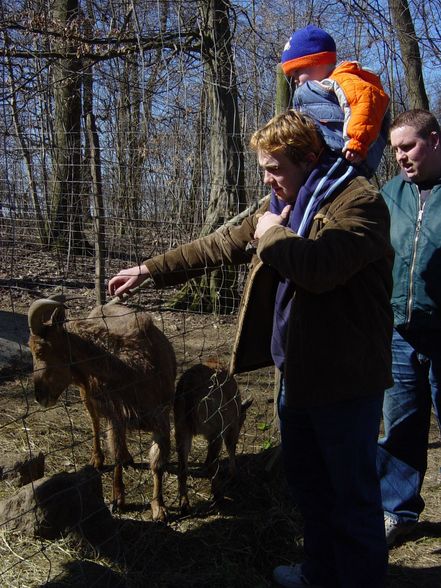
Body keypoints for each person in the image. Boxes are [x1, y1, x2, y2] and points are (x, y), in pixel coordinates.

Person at [109, 110, 393, 588]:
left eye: (275, 167)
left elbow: (319, 268)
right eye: (263, 167)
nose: (267, 177)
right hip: (298, 372)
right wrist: (149, 269)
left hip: (346, 378)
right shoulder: (287, 198)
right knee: (309, 488)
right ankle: (320, 573)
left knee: (353, 495)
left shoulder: (359, 204)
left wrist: (271, 233)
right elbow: (220, 244)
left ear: (309, 157)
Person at [377, 109, 441, 547]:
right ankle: (397, 512)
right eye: (396, 149)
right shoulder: (389, 194)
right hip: (400, 331)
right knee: (399, 425)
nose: (400, 156)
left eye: (409, 146)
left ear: (434, 141)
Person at [280, 25, 390, 177]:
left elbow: (365, 105)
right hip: (340, 157)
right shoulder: (329, 84)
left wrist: (357, 142)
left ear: (318, 61)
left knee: (303, 93)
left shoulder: (346, 79)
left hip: (350, 153)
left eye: (298, 71)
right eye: (292, 76)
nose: (296, 80)